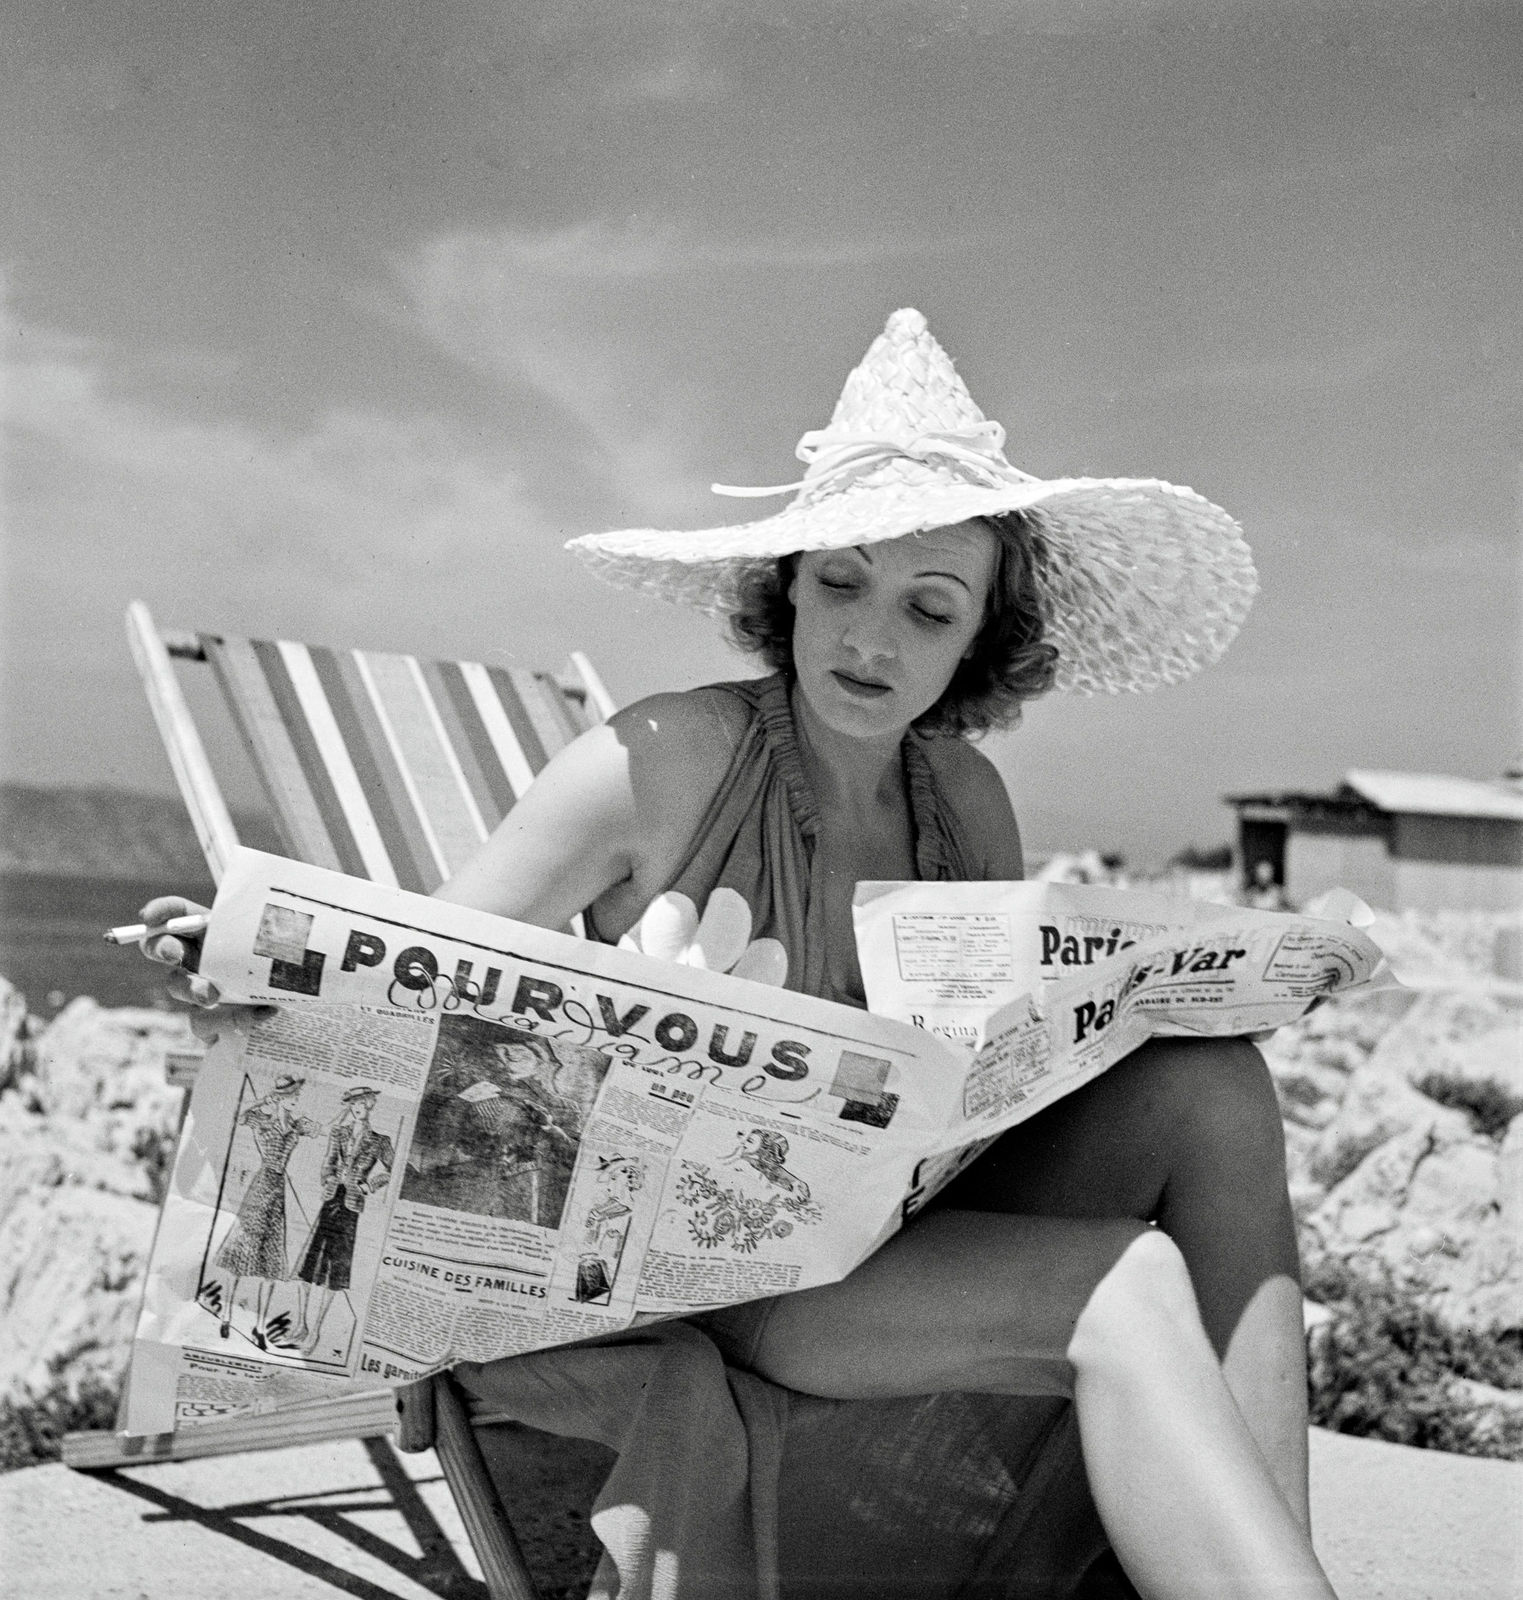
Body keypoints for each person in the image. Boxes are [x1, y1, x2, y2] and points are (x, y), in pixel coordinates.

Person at [142, 308, 1333, 1598]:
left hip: (886, 1230)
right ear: (786, 585)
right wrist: (259, 961)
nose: (870, 639)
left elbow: (977, 1079)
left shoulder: (966, 804)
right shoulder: (656, 763)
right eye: (839, 583)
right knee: (1124, 1286)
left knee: (1213, 1087)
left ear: (978, 641)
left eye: (928, 609)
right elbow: (416, 967)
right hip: (710, 1273)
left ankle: (1266, 1559)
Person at [209, 1072, 319, 1348]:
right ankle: (226, 1315)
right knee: (244, 1252)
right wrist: (261, 1101)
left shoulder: (296, 1126)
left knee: (271, 1258)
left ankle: (259, 1326)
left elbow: (320, 1130)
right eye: (292, 1095)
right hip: (262, 1185)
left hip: (279, 1188)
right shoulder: (262, 1122)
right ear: (281, 1098)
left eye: (296, 1095)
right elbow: (238, 1117)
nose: (297, 1099)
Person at [291, 1084, 392, 1356]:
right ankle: (300, 1322)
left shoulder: (380, 1141)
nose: (357, 1107)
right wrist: (327, 1180)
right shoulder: (339, 1132)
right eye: (353, 1103)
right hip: (331, 1199)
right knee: (310, 1261)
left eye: (362, 1103)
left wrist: (369, 1187)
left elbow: (394, 1170)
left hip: (351, 1205)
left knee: (335, 1270)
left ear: (370, 1104)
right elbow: (328, 1161)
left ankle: (316, 1331)